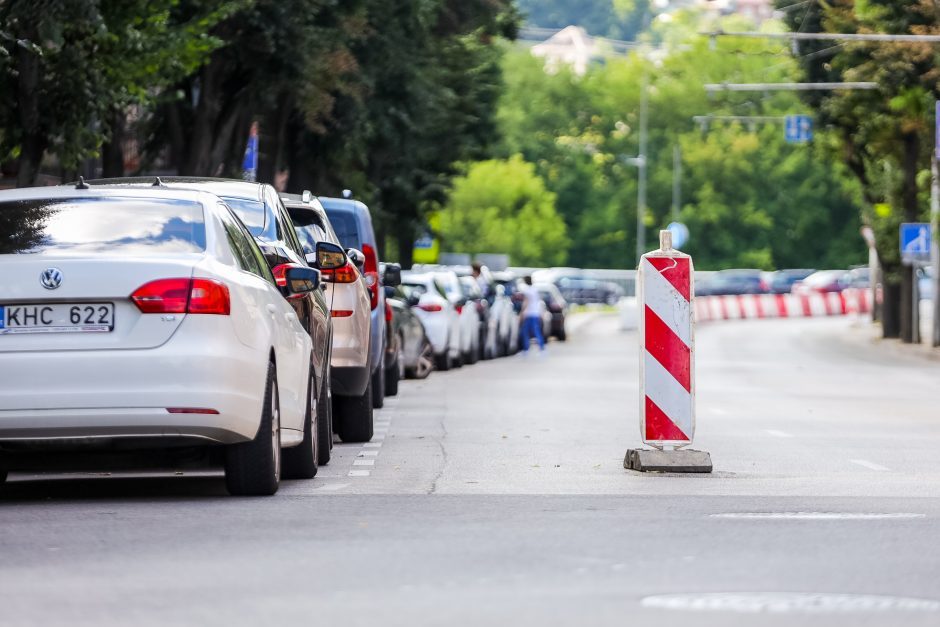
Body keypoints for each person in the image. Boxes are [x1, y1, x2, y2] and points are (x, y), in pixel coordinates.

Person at [519, 276, 545, 354]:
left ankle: (526, 349)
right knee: (536, 331)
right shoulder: (535, 289)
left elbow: (526, 302)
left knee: (525, 332)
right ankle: (541, 348)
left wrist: (522, 312)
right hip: (535, 313)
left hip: (529, 313)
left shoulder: (527, 290)